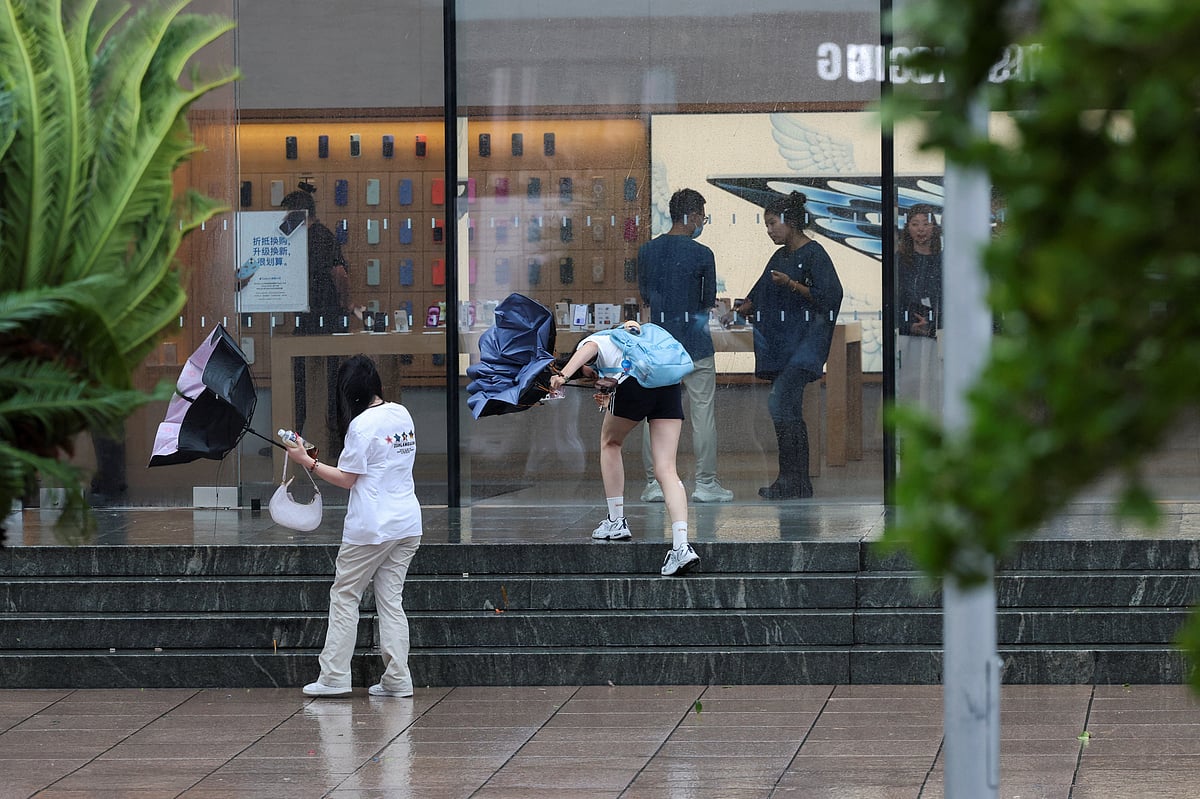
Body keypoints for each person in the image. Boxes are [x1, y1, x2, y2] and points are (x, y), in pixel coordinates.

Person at [282, 354, 423, 698]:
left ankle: (333, 676)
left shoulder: (362, 426)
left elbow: (347, 479)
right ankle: (398, 679)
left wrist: (307, 461)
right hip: (407, 523)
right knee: (391, 600)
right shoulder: (401, 414)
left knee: (345, 595)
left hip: (371, 527)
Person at [549, 321, 700, 577]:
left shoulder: (596, 340)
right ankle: (681, 546)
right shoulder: (629, 333)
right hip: (669, 387)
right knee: (666, 468)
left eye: (588, 372)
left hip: (637, 385)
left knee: (610, 443)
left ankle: (616, 521)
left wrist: (563, 375)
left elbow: (589, 348)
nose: (592, 375)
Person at [731, 191, 843, 500]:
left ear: (790, 223)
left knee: (781, 406)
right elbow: (762, 288)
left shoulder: (814, 254)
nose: (769, 230)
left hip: (804, 345)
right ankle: (793, 481)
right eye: (766, 225)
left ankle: (795, 480)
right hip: (783, 345)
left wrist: (792, 285)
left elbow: (830, 296)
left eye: (772, 224)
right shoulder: (780, 256)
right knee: (786, 410)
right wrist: (746, 305)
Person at [637, 188, 734, 504]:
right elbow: (707, 303)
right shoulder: (703, 254)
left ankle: (654, 484)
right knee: (703, 413)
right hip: (696, 346)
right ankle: (706, 484)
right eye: (702, 217)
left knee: (655, 414)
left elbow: (648, 298)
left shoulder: (647, 252)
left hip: (658, 345)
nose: (702, 223)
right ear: (692, 217)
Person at [284, 183, 349, 445]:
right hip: (322, 316)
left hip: (322, 316)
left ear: (299, 214)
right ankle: (328, 439)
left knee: (313, 380)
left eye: (288, 215)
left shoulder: (319, 237)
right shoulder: (316, 236)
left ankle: (320, 437)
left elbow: (340, 274)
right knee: (328, 379)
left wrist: (345, 305)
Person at [895, 203, 944, 414]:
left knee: (935, 391)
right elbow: (894, 299)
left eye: (926, 223)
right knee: (908, 392)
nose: (921, 229)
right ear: (907, 228)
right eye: (915, 224)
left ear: (934, 227)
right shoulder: (899, 261)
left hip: (938, 337)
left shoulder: (944, 261)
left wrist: (933, 325)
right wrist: (908, 324)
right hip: (907, 337)